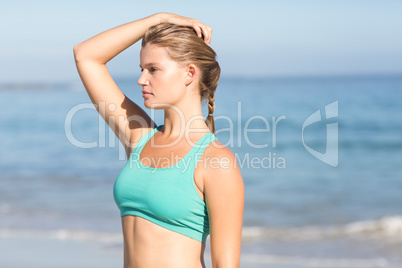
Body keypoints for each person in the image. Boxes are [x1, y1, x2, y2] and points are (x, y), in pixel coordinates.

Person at [73, 12, 244, 268]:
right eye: (142, 69)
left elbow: (226, 264)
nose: (142, 79)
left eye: (153, 69)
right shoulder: (139, 136)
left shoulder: (216, 160)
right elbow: (86, 56)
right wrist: (157, 19)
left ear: (189, 73)